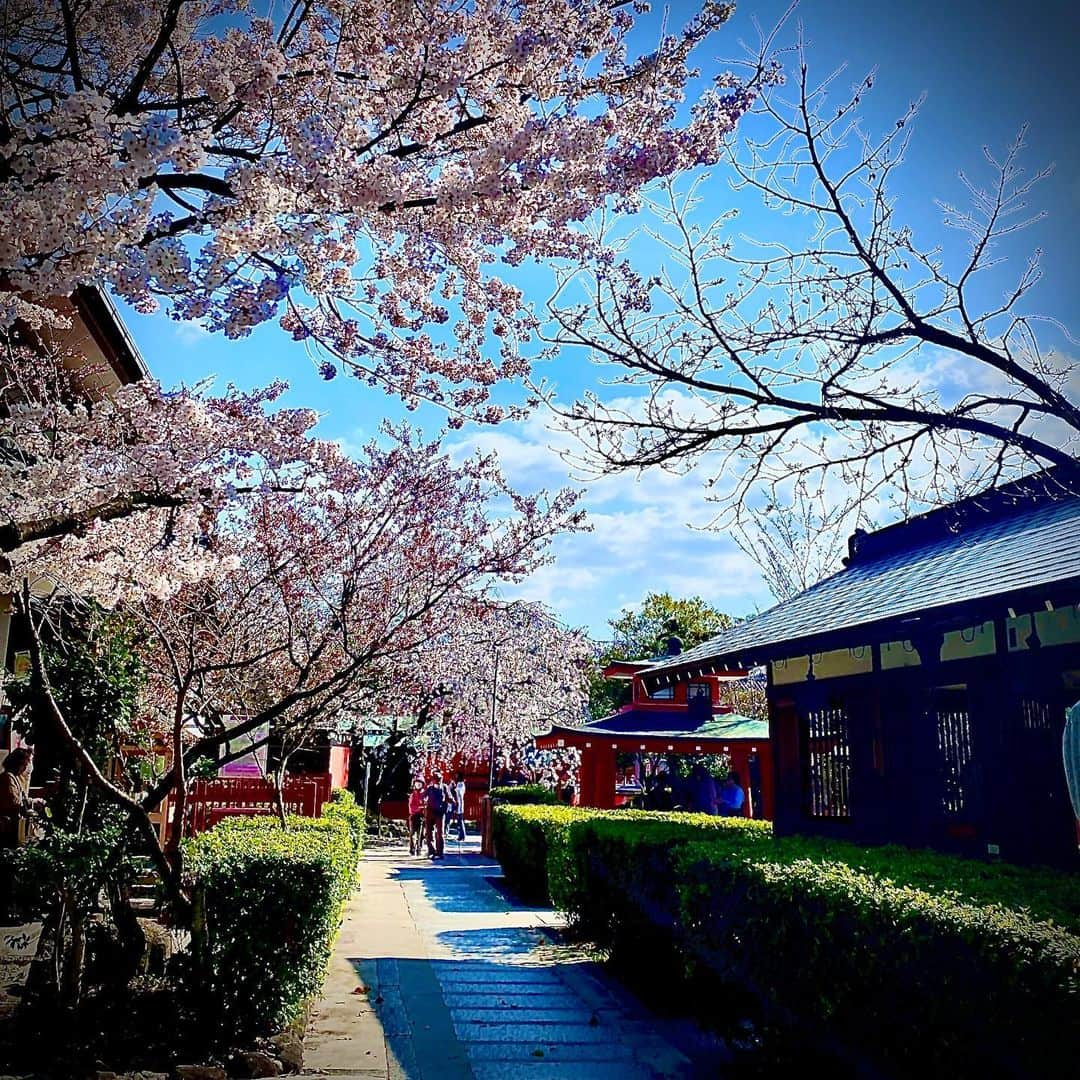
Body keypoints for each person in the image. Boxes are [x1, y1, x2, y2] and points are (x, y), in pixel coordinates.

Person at [0, 748, 41, 848]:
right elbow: (14, 802)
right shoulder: (8, 778)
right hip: (7, 825)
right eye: (24, 765)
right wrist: (32, 803)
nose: (25, 768)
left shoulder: (13, 777)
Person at [423, 775, 445, 858]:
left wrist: (453, 802)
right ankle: (431, 850)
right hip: (430, 812)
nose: (438, 781)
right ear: (433, 780)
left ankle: (440, 852)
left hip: (440, 813)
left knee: (440, 832)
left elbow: (449, 796)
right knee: (429, 832)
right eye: (436, 780)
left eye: (439, 780)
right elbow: (424, 796)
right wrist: (424, 800)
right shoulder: (430, 788)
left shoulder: (444, 788)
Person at [407, 777, 425, 855]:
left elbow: (426, 804)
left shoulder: (424, 794)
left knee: (421, 834)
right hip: (414, 816)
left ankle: (419, 848)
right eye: (416, 783)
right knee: (412, 833)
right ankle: (412, 848)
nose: (418, 785)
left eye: (420, 783)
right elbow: (411, 806)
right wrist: (419, 808)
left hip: (422, 816)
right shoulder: (413, 795)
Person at [451, 771, 467, 841]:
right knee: (459, 821)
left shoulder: (461, 784)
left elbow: (459, 792)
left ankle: (462, 835)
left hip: (460, 804)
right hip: (458, 803)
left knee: (460, 821)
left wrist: (454, 787)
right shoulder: (459, 784)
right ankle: (460, 835)